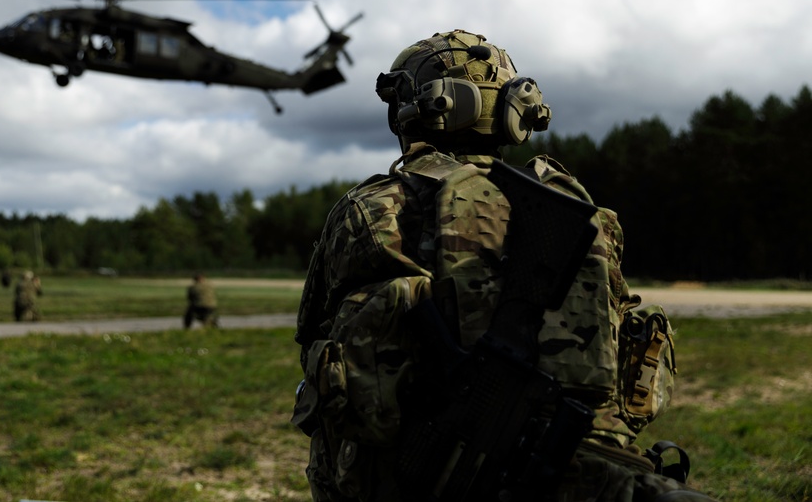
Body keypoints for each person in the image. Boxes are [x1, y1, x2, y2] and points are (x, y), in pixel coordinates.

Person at [292, 30, 716, 501]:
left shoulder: (371, 210)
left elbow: (314, 336)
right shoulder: (581, 214)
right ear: (514, 110)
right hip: (565, 463)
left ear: (420, 107)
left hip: (417, 476)